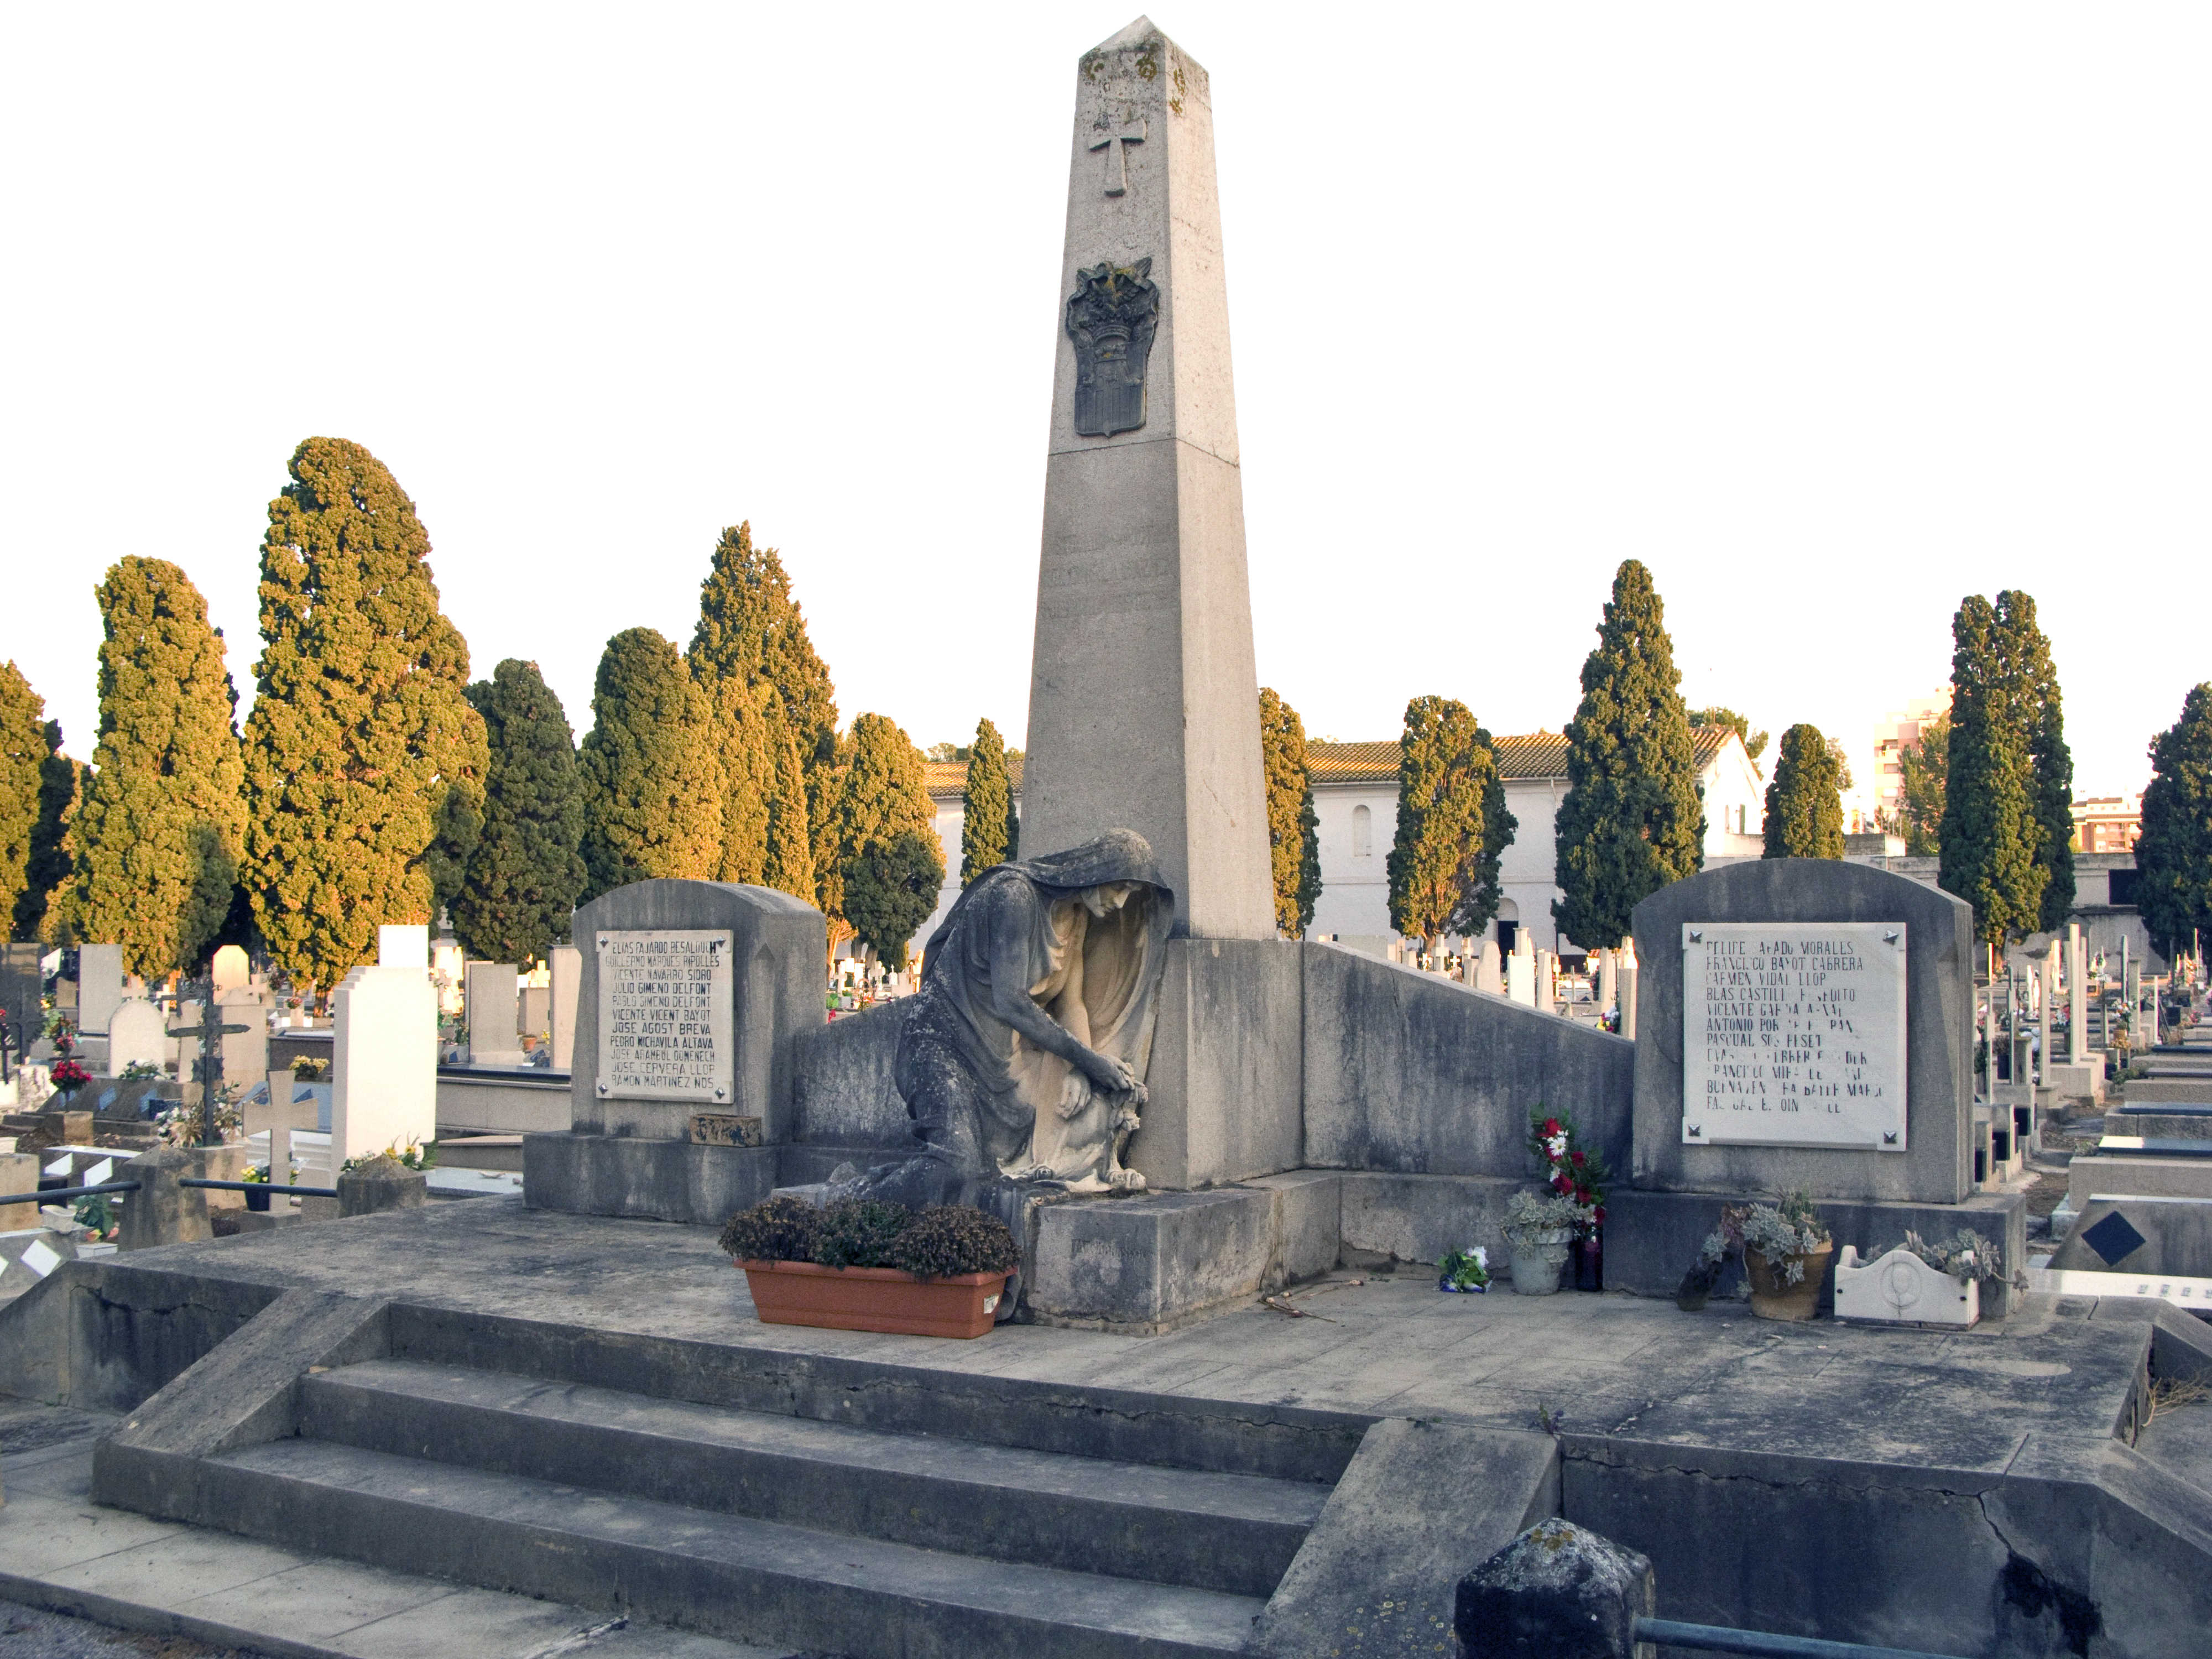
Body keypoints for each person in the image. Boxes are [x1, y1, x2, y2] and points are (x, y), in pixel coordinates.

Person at [840, 828, 1173, 1210]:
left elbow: (1071, 1004)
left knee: (1072, 1129)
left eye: (1130, 892)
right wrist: (1089, 1061)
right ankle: (839, 1201)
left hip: (1001, 1067)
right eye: (1120, 887)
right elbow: (1012, 1002)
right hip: (943, 1049)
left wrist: (1080, 1071)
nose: (1121, 902)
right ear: (1094, 870)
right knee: (956, 1168)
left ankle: (872, 1184)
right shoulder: (1013, 895)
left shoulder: (1076, 916)